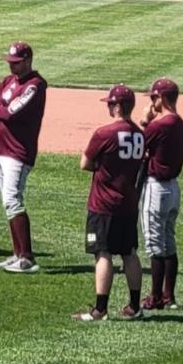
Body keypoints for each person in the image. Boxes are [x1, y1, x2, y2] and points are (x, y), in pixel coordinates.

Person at [74, 85, 147, 322]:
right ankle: (134, 305)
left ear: (117, 106)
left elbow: (85, 164)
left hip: (104, 204)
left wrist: (103, 168)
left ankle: (100, 309)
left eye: (109, 103)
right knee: (129, 253)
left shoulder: (104, 133)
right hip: (128, 203)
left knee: (102, 253)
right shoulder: (140, 134)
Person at [0, 41, 47, 273]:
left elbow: (12, 112)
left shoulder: (36, 85)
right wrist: (1, 110)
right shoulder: (8, 81)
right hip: (1, 148)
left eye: (16, 63)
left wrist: (1, 110)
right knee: (7, 202)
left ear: (28, 61)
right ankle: (16, 254)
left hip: (18, 151)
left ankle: (27, 257)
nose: (12, 67)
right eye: (10, 63)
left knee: (13, 200)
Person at [139, 78, 183, 310]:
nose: (152, 101)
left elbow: (138, 144)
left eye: (153, 97)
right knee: (169, 242)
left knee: (154, 243)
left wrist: (144, 121)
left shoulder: (160, 125)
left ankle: (156, 297)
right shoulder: (181, 124)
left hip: (156, 188)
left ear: (162, 98)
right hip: (173, 188)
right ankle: (169, 296)